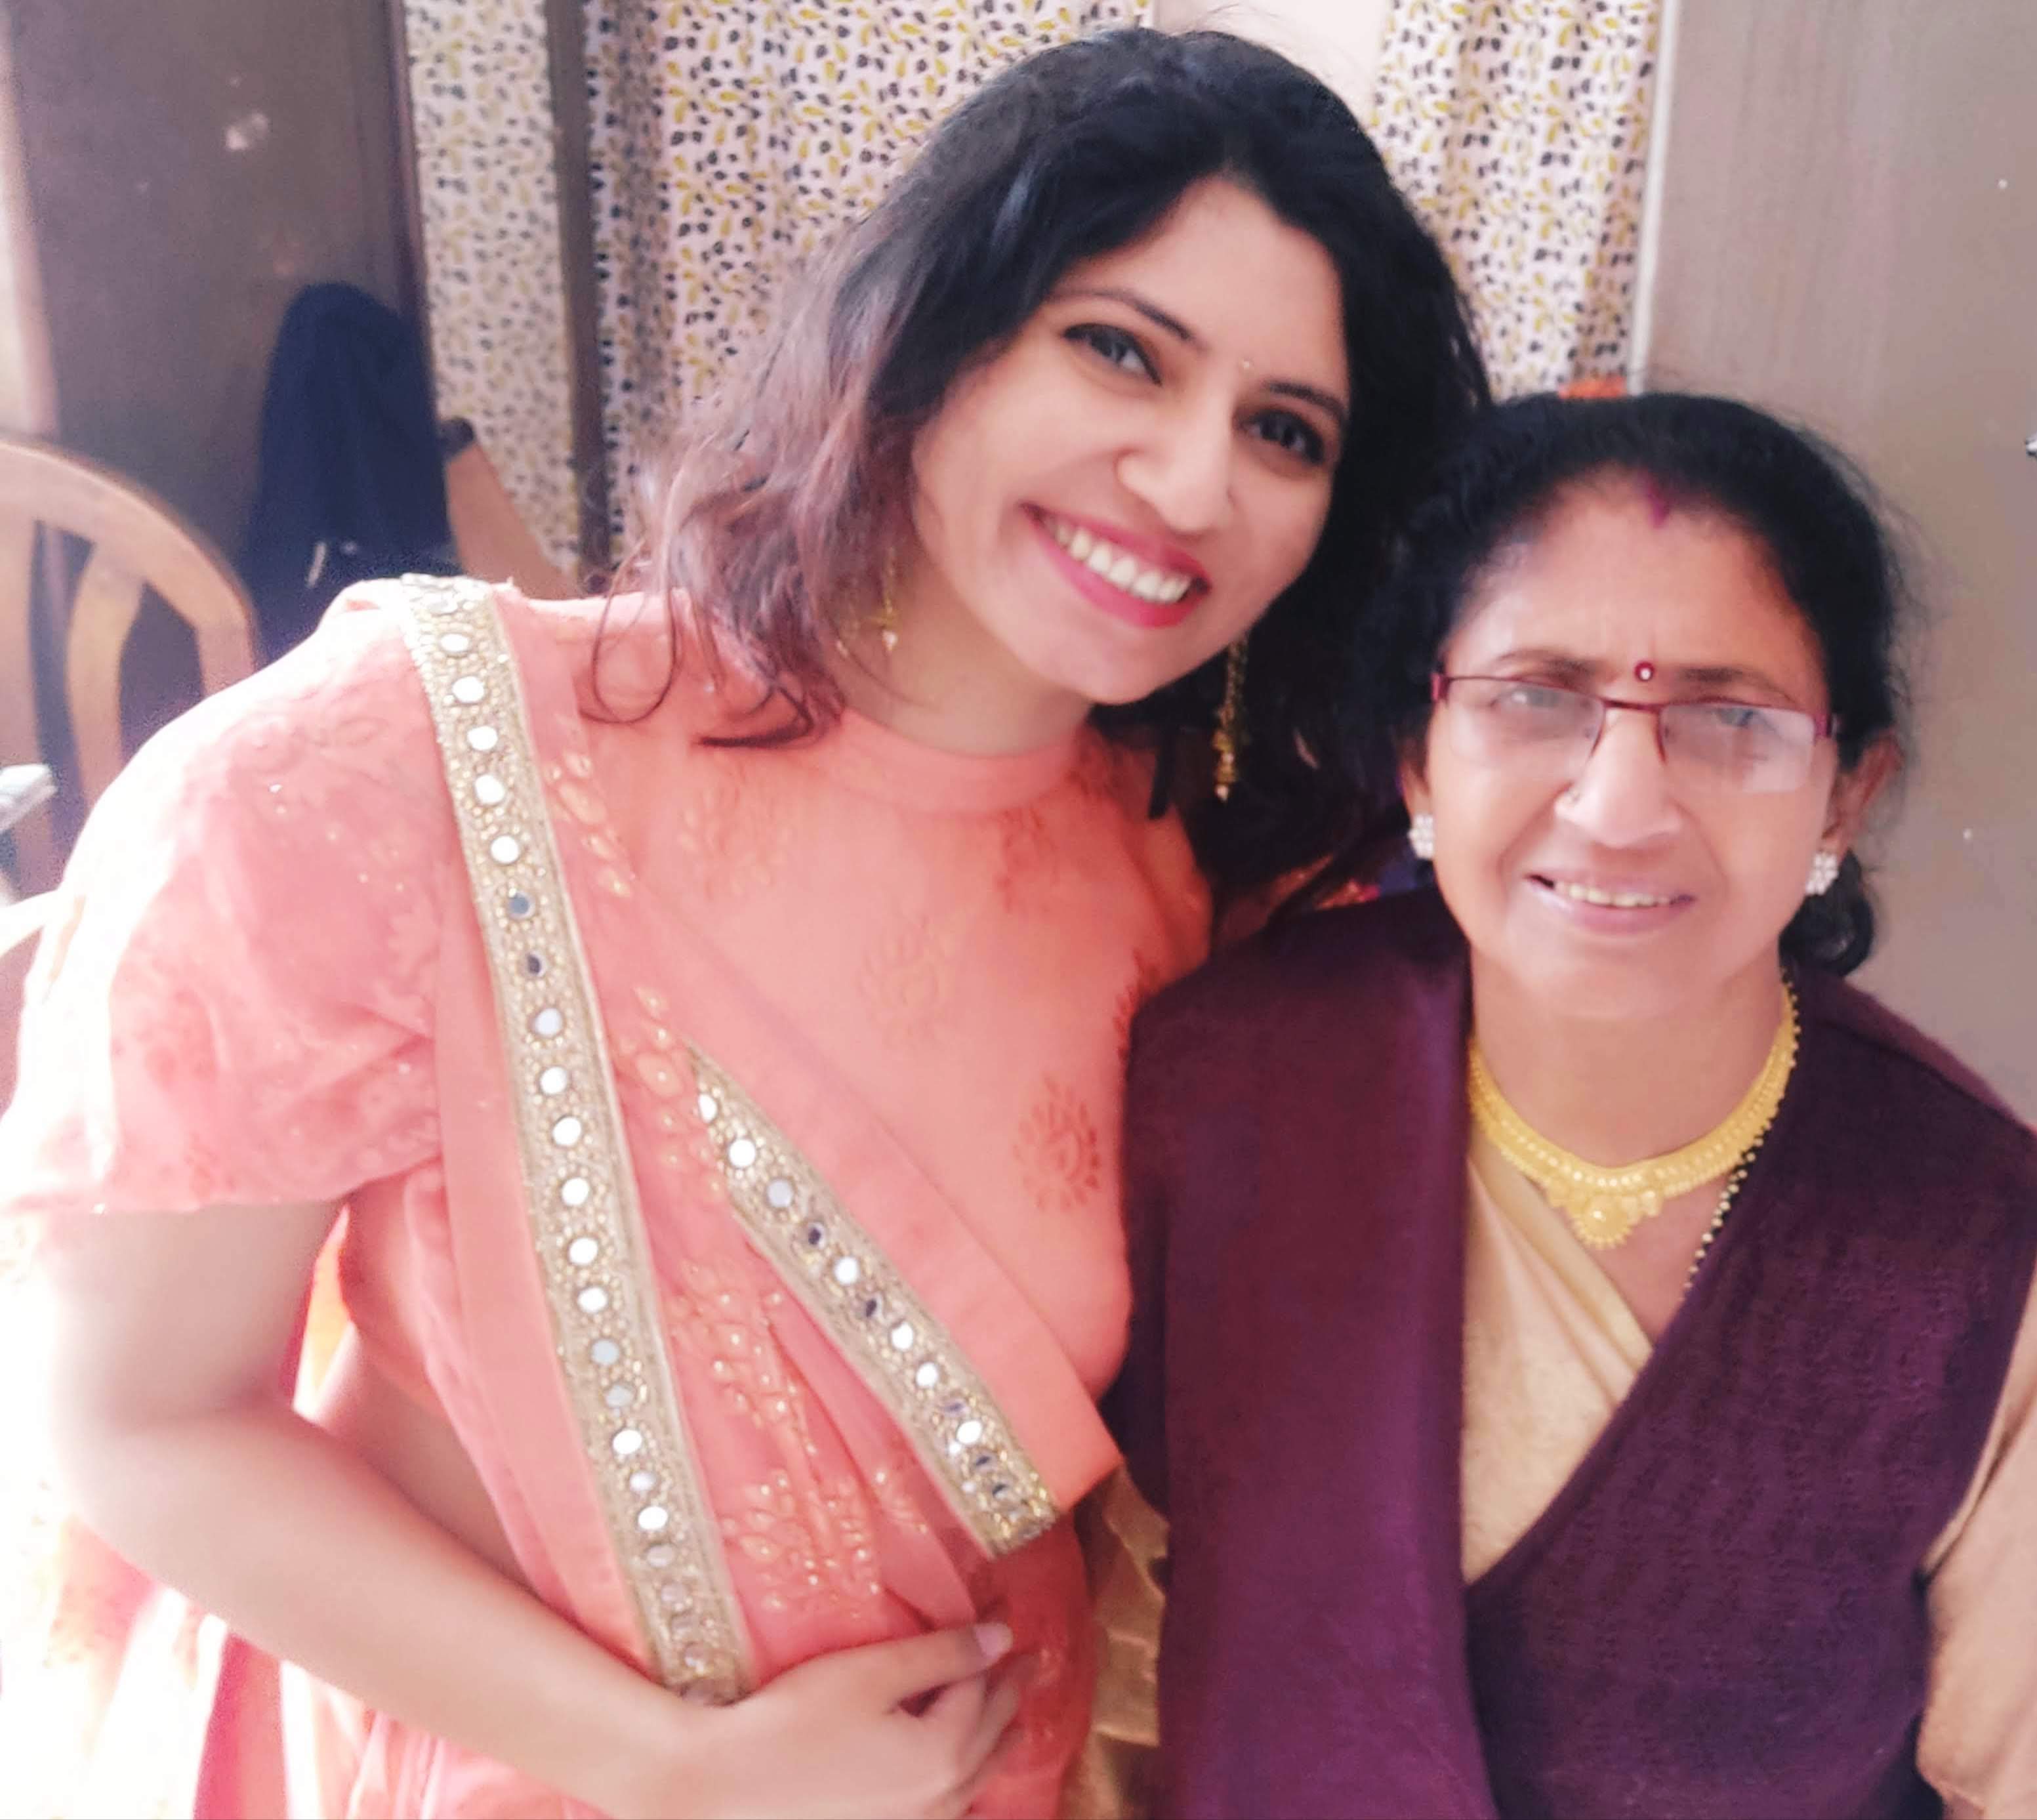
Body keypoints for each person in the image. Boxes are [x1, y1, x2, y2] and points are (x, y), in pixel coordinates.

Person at [0, 28, 1487, 1820]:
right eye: (1118, 349)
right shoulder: (399, 765)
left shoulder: (1215, 900)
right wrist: (673, 1763)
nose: (1188, 484)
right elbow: (136, 1413)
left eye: (1283, 432)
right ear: (926, 334)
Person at [1111, 393, 2037, 1819]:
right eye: (1534, 697)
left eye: (1727, 719)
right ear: (1416, 756)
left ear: (1844, 797)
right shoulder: (1231, 1085)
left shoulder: (1981, 1247)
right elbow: (1122, 1663)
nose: (1616, 807)